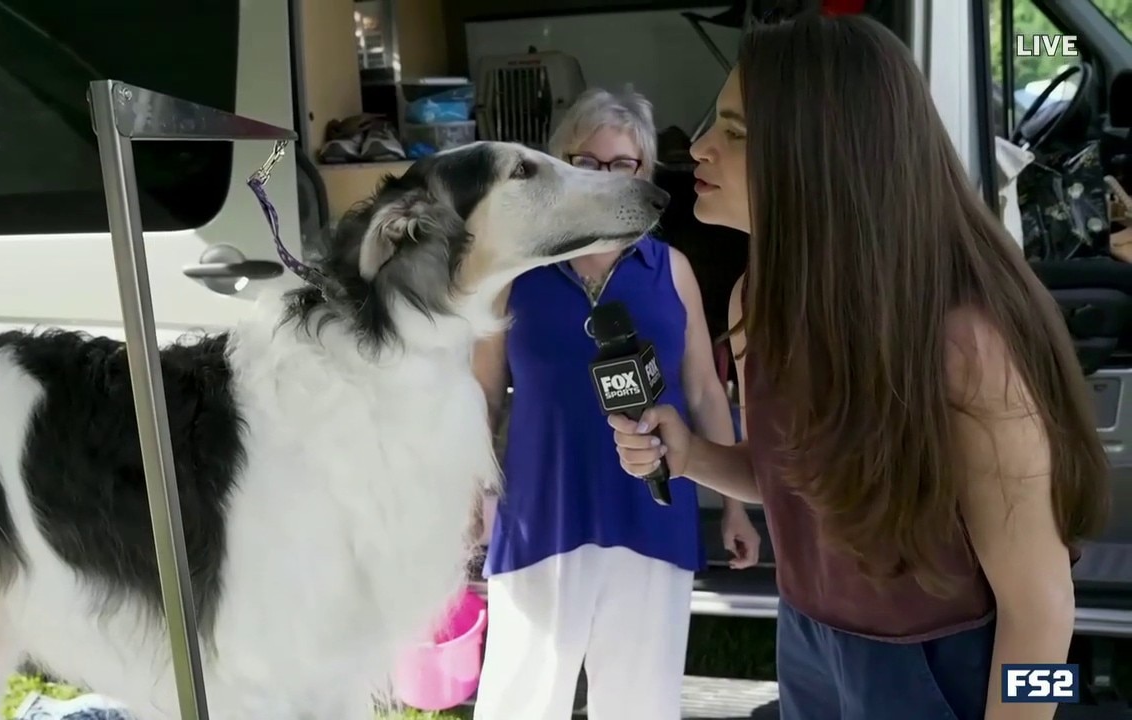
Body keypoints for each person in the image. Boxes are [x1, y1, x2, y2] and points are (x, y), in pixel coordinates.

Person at [608, 14, 1110, 720]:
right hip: (808, 639)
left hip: (948, 662)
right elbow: (796, 480)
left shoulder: (966, 347)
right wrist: (691, 456)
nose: (698, 148)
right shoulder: (759, 298)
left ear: (826, 152)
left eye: (737, 131)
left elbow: (1044, 609)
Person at [470, 87, 761, 720]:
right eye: (588, 163)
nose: (605, 177)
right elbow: (483, 391)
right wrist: (471, 488)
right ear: (560, 167)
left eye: (622, 164)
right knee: (521, 701)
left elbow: (704, 390)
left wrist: (736, 507)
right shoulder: (514, 271)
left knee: (640, 703)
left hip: (651, 514)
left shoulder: (672, 269)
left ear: (645, 173)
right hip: (540, 514)